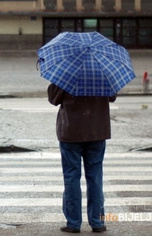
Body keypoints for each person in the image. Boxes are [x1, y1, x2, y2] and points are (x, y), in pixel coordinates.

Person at [47, 83, 116, 233]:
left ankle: (73, 223)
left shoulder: (66, 73)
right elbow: (112, 96)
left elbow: (53, 98)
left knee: (71, 177)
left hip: (71, 131)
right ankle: (97, 222)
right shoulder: (102, 72)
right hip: (97, 131)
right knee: (95, 178)